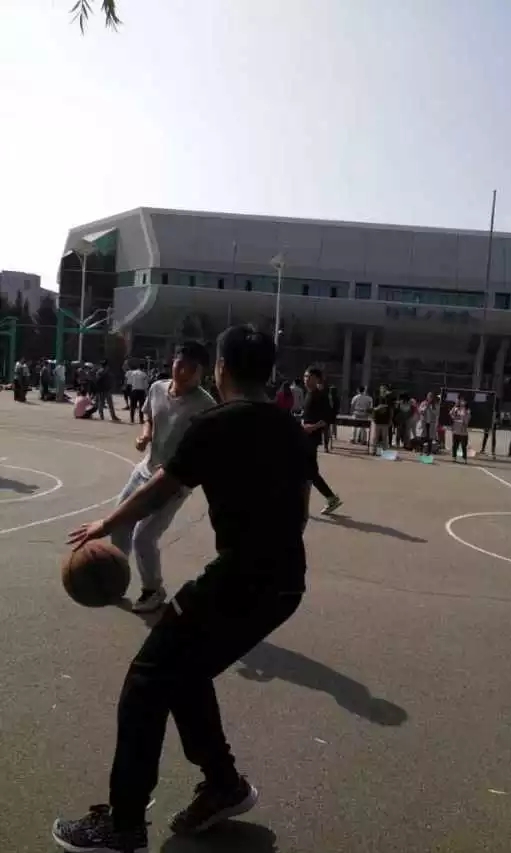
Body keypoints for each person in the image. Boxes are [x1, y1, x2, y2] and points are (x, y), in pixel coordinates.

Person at [52, 325, 316, 853]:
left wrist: (107, 524)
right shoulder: (291, 430)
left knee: (146, 681)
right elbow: (302, 511)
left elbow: (161, 487)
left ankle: (124, 824)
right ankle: (223, 784)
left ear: (220, 369)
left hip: (239, 581)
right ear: (268, 372)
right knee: (185, 673)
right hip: (286, 583)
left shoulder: (214, 424)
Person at [110, 342, 215, 613]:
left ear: (202, 373)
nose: (184, 372)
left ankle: (152, 589)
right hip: (145, 470)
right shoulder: (157, 388)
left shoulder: (206, 406)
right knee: (119, 524)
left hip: (173, 482)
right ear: (173, 362)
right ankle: (115, 579)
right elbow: (149, 415)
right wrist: (145, 434)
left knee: (143, 536)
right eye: (180, 364)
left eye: (192, 369)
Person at [302, 367, 342, 514]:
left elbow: (326, 418)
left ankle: (330, 498)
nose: (306, 380)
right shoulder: (309, 394)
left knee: (309, 471)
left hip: (311, 438)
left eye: (310, 377)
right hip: (305, 437)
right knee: (308, 471)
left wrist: (312, 427)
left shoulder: (320, 396)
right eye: (305, 376)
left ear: (317, 379)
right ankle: (330, 497)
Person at [450, 398, 471, 462]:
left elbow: (466, 420)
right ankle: (454, 457)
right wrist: (455, 406)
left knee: (463, 445)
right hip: (456, 430)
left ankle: (464, 458)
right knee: (454, 445)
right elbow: (451, 414)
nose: (461, 402)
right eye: (460, 401)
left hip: (463, 431)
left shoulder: (467, 411)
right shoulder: (456, 409)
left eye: (463, 401)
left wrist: (461, 418)